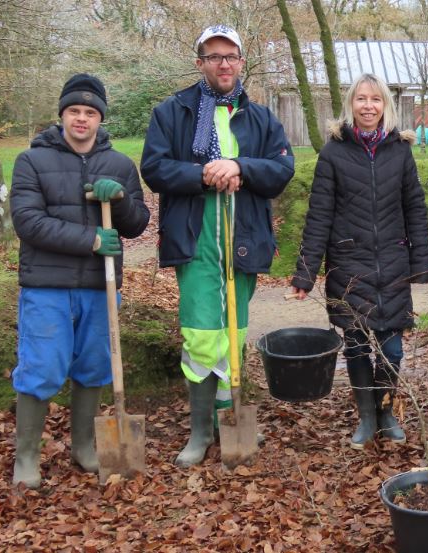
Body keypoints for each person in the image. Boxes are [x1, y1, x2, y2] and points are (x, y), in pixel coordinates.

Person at [141, 25, 295, 467]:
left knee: (235, 332)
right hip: (196, 238)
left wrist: (239, 167)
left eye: (231, 56)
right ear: (200, 63)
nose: (223, 63)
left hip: (243, 238)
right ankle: (199, 429)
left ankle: (231, 419)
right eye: (214, 56)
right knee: (201, 333)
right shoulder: (173, 112)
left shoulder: (260, 117)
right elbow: (154, 168)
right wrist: (204, 174)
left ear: (241, 62)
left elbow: (280, 170)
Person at [10, 73, 150, 488]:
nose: (82, 119)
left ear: (100, 118)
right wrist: (90, 239)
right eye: (75, 111)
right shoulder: (31, 161)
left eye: (90, 112)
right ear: (62, 115)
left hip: (98, 287)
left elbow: (138, 224)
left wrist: (121, 200)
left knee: (92, 368)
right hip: (46, 288)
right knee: (41, 368)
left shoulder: (121, 165)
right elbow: (28, 222)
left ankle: (85, 448)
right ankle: (27, 458)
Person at [291, 73, 428, 449]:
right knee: (355, 344)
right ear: (350, 105)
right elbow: (318, 215)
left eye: (376, 99)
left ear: (385, 105)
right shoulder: (333, 152)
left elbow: (414, 207)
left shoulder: (399, 150)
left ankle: (386, 410)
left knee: (391, 348)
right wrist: (305, 274)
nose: (368, 106)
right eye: (361, 99)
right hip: (348, 261)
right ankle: (366, 416)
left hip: (392, 262)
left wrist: (421, 262)